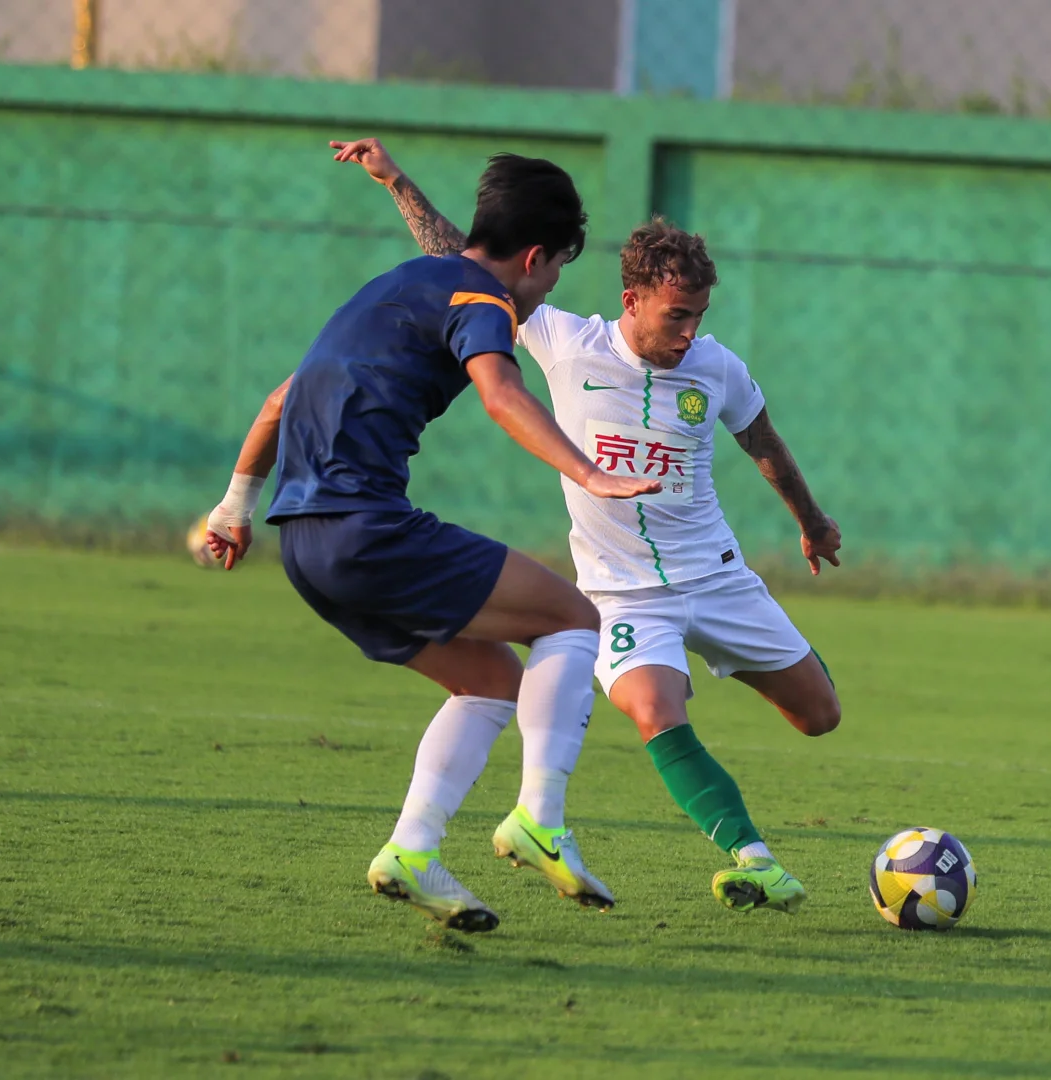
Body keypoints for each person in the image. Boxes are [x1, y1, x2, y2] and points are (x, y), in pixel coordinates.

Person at [332, 137, 843, 914]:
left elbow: (763, 442)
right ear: (633, 300)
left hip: (719, 575)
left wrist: (811, 522)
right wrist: (396, 182)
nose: (688, 333)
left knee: (820, 716)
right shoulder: (566, 341)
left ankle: (750, 696)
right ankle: (753, 857)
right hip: (622, 595)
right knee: (653, 709)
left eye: (700, 317)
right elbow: (459, 265)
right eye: (676, 316)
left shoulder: (718, 369)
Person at [203, 152, 659, 933]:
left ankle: (412, 851)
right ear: (533, 257)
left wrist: (232, 507)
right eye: (553, 274)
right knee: (574, 619)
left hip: (303, 549)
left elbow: (282, 398)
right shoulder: (483, 300)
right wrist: (592, 474)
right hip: (366, 528)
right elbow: (500, 391)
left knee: (487, 680)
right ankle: (540, 819)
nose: (548, 291)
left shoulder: (399, 284)